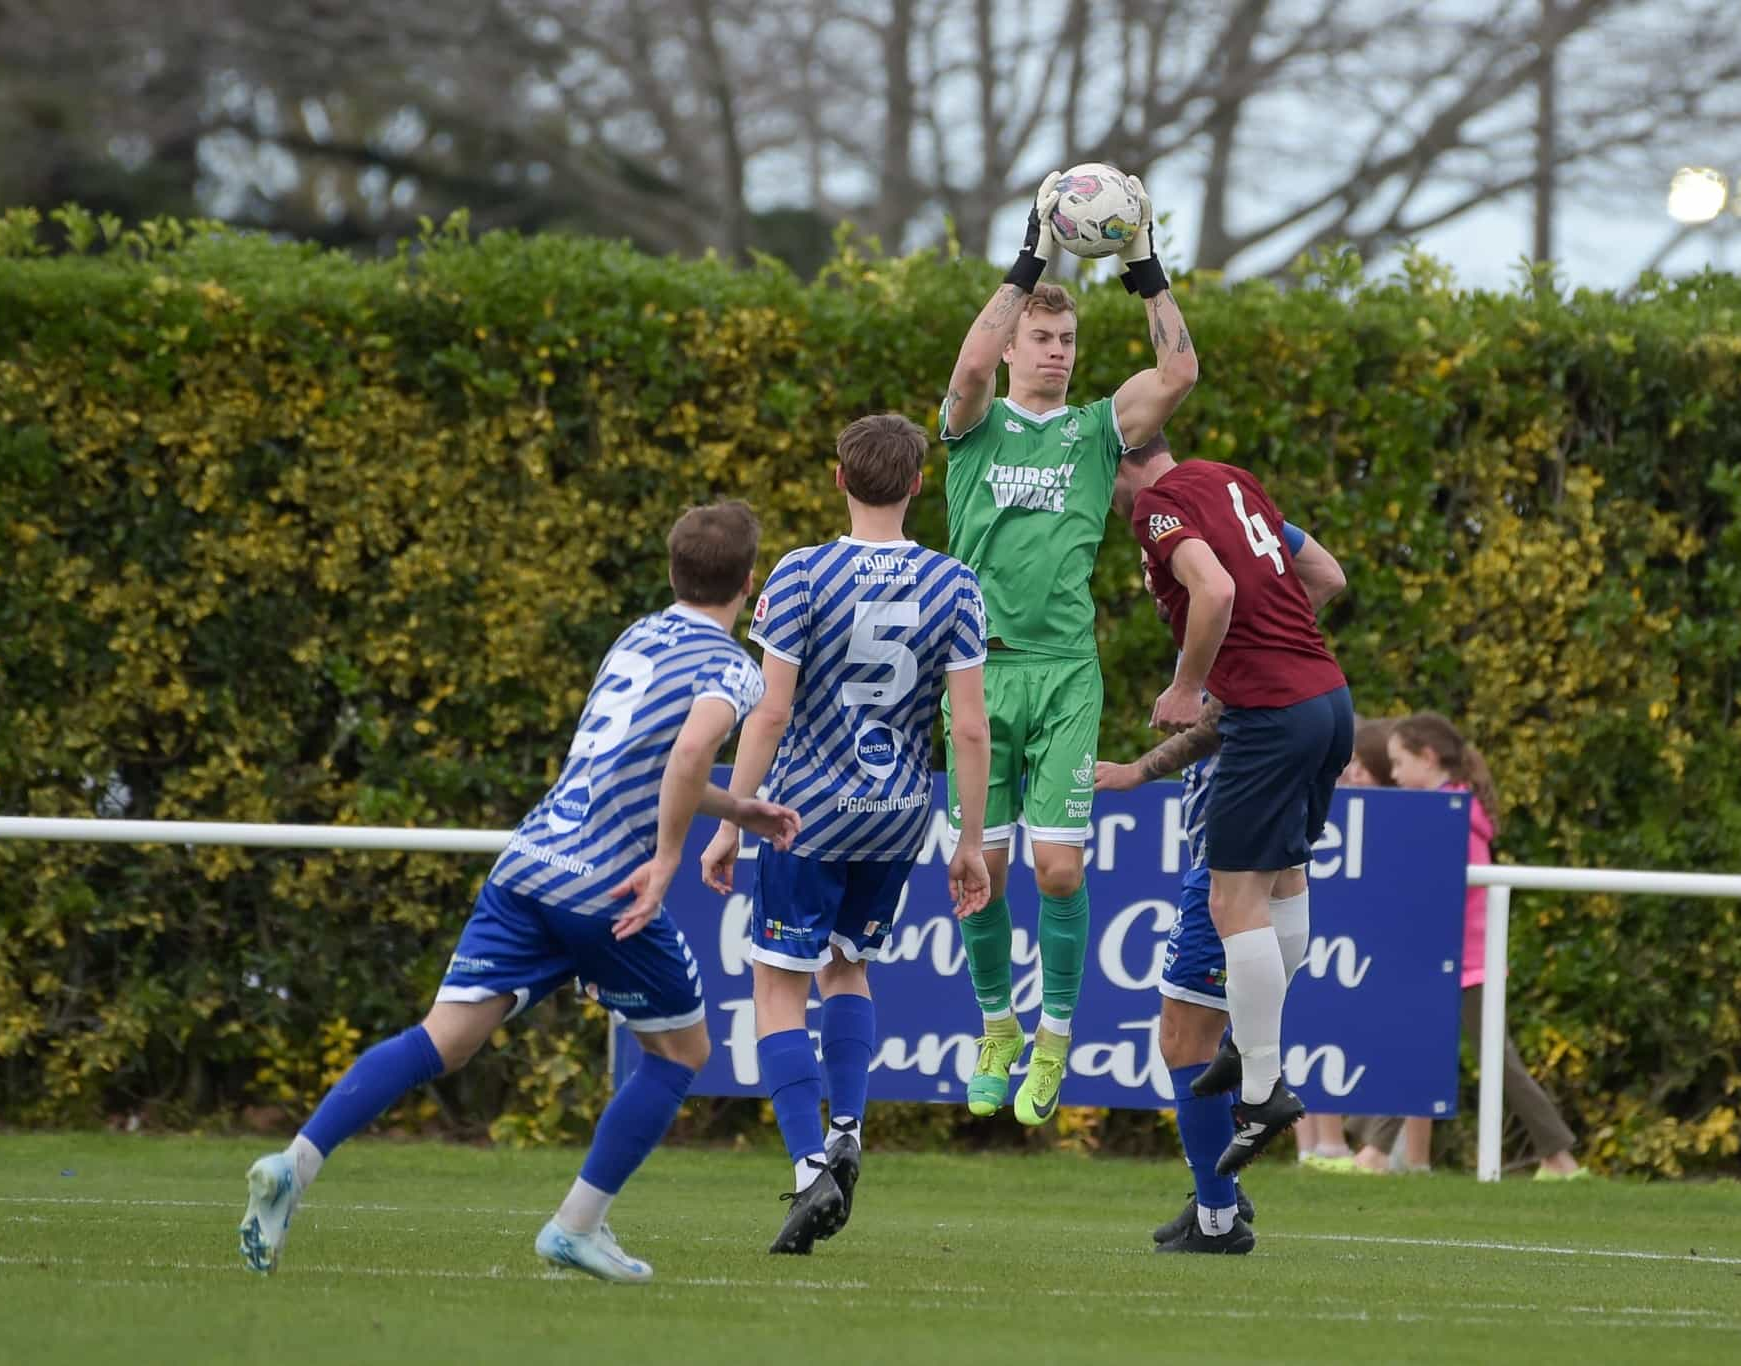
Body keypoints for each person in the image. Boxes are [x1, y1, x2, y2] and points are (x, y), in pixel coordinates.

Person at [236, 502, 802, 1284]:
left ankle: (295, 1164)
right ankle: (577, 1226)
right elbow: (690, 749)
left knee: (444, 1038)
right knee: (681, 1052)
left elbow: (639, 761)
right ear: (750, 583)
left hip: (529, 861)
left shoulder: (635, 636)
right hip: (602, 883)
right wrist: (672, 855)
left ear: (672, 571)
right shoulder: (731, 665)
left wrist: (734, 808)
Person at [697, 415, 993, 1255]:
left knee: (776, 986)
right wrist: (969, 841)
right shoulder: (955, 584)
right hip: (898, 816)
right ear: (917, 485)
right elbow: (970, 729)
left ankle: (807, 1166)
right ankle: (850, 1129)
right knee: (849, 966)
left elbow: (774, 708)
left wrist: (733, 814)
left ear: (838, 479)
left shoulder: (798, 574)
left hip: (804, 813)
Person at [940, 169, 1199, 1127]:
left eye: (1066, 339)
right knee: (983, 873)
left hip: (1063, 676)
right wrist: (1029, 258)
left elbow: (1177, 375)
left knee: (1059, 872)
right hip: (975, 670)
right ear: (1014, 346)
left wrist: (1141, 263)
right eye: (1041, 338)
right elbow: (966, 369)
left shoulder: (1096, 431)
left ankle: (1052, 1038)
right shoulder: (974, 426)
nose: (1055, 351)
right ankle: (995, 1025)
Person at [1096, 503, 1347, 1250]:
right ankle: (1223, 1185)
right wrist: (1143, 770)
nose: (1155, 583)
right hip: (1270, 839)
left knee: (1183, 1037)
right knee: (1200, 1032)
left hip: (1226, 861)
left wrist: (1144, 763)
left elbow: (1213, 717)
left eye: (1157, 572)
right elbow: (1327, 572)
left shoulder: (1226, 599)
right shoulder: (1279, 640)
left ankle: (1217, 1216)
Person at [1379, 712, 1583, 1180]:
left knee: (1496, 1061)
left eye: (1398, 763)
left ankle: (1559, 1157)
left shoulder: (1454, 815)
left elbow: (1455, 892)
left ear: (1428, 759)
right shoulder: (1447, 809)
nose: (1393, 775)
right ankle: (1387, 1155)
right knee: (1410, 1048)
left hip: (1466, 961)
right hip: (1449, 957)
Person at [1297, 715, 1399, 1173]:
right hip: (1317, 935)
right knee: (1305, 1031)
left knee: (1340, 1036)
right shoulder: (1309, 794)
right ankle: (1316, 1146)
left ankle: (1378, 1153)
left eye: (1360, 763)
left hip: (1365, 949)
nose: (1352, 772)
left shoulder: (1393, 817)